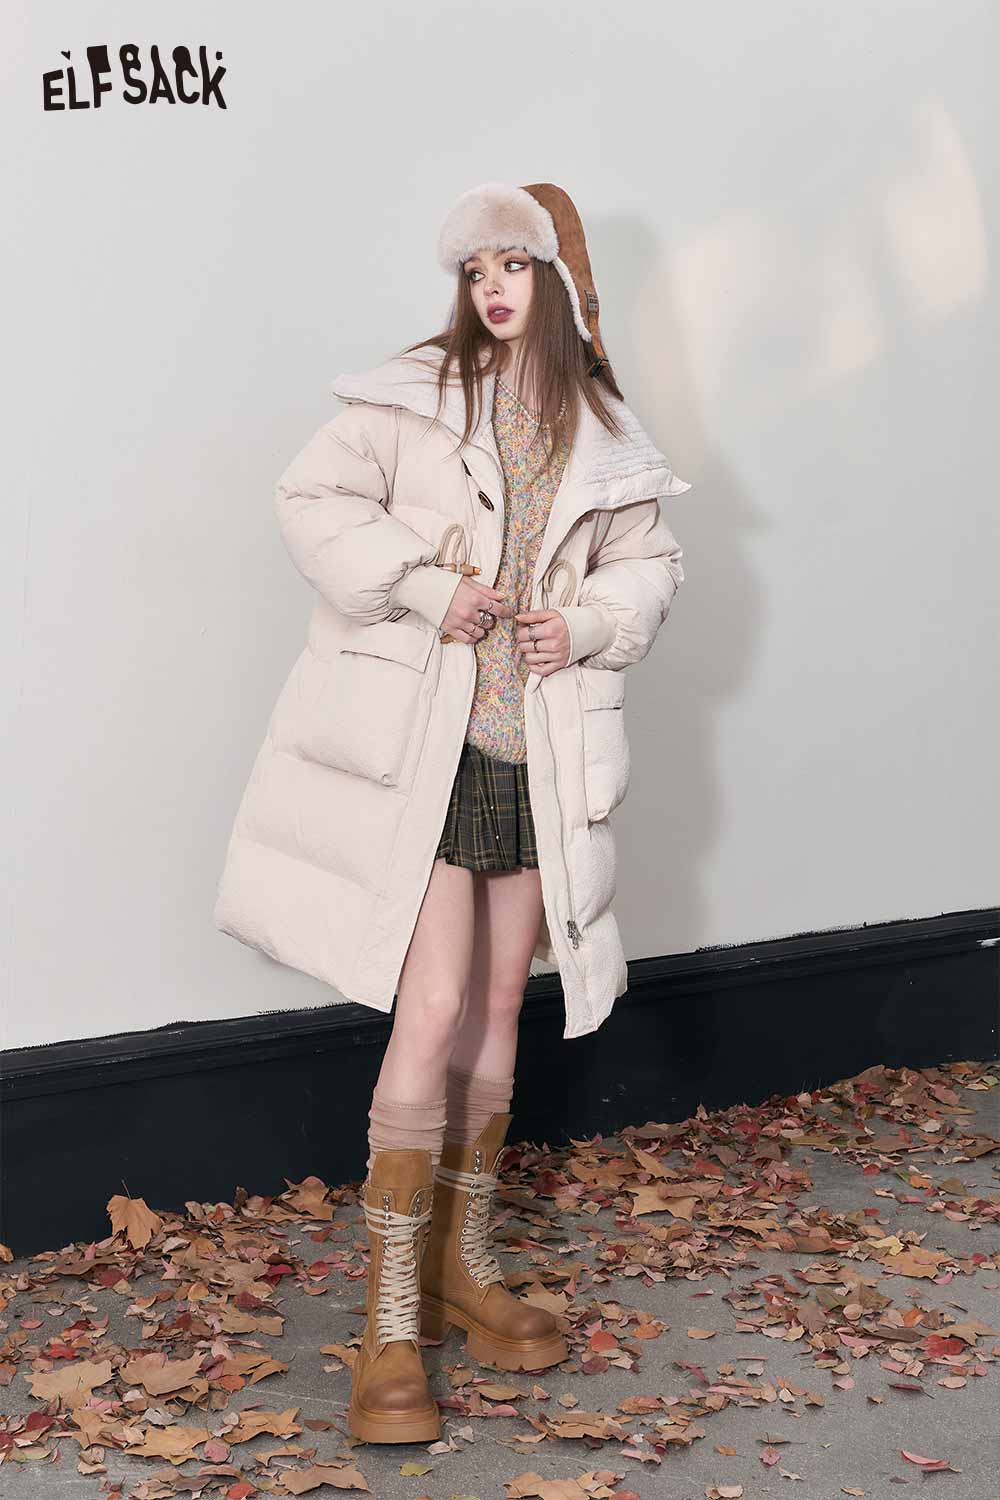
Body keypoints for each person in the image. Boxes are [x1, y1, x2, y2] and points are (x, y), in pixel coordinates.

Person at [213, 181, 691, 1444]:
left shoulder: (603, 425)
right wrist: (423, 587)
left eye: (513, 266)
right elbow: (310, 500)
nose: (491, 288)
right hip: (424, 750)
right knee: (429, 1006)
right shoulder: (415, 393)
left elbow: (650, 564)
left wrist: (584, 623)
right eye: (476, 269)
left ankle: (460, 1270)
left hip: (537, 753)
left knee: (494, 1006)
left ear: (559, 283)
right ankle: (386, 1319)